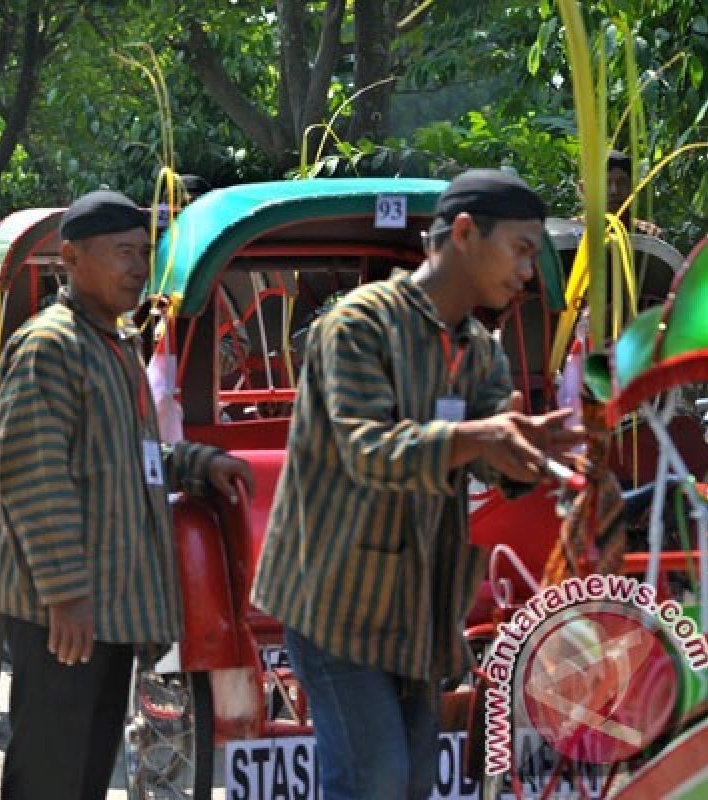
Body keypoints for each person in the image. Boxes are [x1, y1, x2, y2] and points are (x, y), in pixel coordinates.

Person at [251, 170, 587, 800]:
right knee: (373, 783)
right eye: (519, 248)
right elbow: (368, 450)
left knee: (409, 786)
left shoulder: (480, 352)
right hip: (334, 602)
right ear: (464, 233)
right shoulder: (357, 327)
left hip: (420, 610)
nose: (526, 271)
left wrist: (531, 459)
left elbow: (494, 458)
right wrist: (481, 439)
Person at [0, 190, 255, 799]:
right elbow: (35, 474)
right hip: (64, 607)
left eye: (143, 252)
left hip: (109, 605)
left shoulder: (114, 344)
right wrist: (67, 592)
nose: (138, 266)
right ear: (73, 258)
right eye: (123, 252)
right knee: (49, 772)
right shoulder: (49, 344)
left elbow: (129, 457)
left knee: (85, 771)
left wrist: (195, 463)